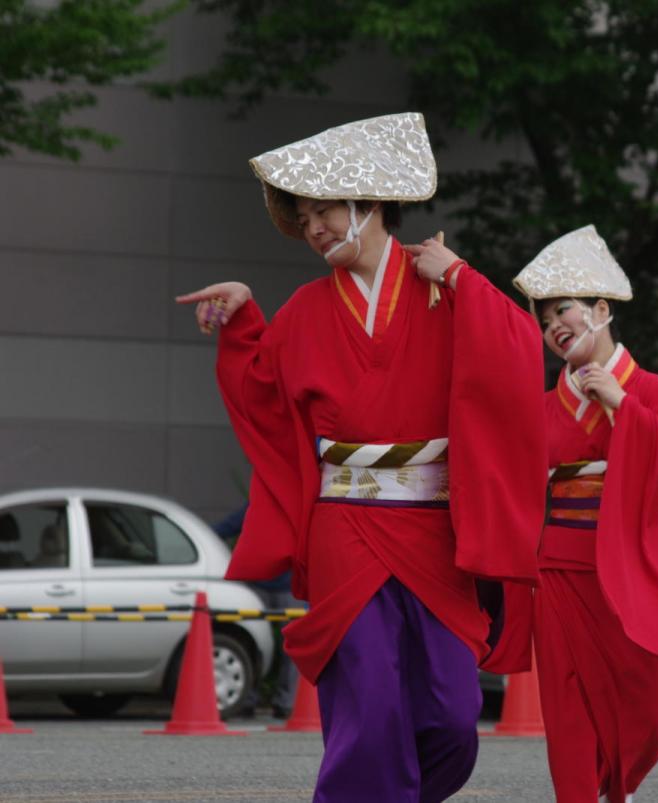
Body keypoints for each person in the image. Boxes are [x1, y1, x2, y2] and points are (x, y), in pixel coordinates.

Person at [176, 113, 546, 802]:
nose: (313, 228)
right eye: (305, 216)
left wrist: (463, 274)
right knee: (369, 711)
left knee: (453, 719)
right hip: (345, 526)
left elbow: (522, 359)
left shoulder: (445, 288)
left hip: (436, 531)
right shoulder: (307, 309)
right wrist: (245, 318)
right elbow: (264, 396)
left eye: (324, 212)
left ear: (369, 204)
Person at [512, 225, 658, 803]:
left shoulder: (651, 391)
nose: (554, 328)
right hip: (561, 572)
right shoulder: (543, 406)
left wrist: (624, 407)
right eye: (545, 321)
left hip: (633, 575)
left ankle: (610, 787)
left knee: (655, 711)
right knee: (568, 712)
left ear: (601, 309)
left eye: (563, 311)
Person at [212, 502, 301, 719]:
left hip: (272, 584)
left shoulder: (262, 505)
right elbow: (220, 530)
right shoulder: (261, 505)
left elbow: (221, 530)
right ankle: (280, 701)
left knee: (281, 644)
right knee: (283, 644)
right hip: (269, 584)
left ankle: (269, 700)